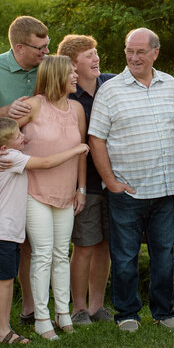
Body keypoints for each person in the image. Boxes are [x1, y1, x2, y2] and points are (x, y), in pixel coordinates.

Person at [87, 28, 174, 332]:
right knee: (125, 257)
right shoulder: (111, 90)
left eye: (141, 51)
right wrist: (111, 182)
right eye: (129, 50)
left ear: (155, 52)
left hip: (166, 189)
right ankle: (127, 313)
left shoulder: (171, 85)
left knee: (163, 256)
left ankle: (164, 312)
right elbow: (96, 139)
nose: (133, 57)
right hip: (127, 190)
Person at [0, 16, 50, 325]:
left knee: (32, 240)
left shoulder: (47, 67)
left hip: (38, 166)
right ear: (19, 46)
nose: (46, 52)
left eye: (47, 45)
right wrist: (6, 112)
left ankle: (30, 308)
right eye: (39, 47)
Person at [0, 116, 89, 345]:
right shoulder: (10, 157)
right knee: (4, 281)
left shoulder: (6, 153)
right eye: (18, 136)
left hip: (8, 232)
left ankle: (4, 327)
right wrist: (76, 149)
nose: (24, 137)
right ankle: (2, 330)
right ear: (4, 147)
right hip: (1, 231)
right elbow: (47, 162)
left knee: (8, 280)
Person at [15, 54, 88, 341]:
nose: (75, 77)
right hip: (35, 190)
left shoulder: (77, 109)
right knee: (43, 254)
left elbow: (83, 150)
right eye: (71, 73)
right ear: (56, 75)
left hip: (66, 192)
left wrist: (81, 188)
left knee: (61, 254)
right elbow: (2, 137)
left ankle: (63, 313)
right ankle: (41, 318)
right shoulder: (32, 106)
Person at [57, 34, 115, 326]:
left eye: (96, 52)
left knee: (105, 243)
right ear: (72, 64)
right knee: (85, 245)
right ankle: (78, 308)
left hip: (115, 178)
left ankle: (97, 306)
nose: (96, 59)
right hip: (85, 181)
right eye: (89, 55)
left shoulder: (112, 84)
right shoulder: (66, 95)